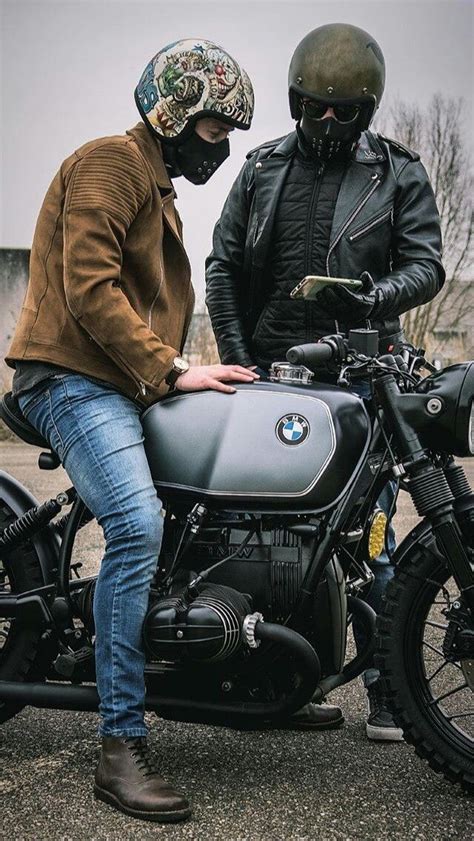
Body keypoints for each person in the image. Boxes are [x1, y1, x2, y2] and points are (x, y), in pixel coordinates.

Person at [5, 39, 258, 823]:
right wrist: (174, 368)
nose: (220, 147)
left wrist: (197, 369)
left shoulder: (158, 185)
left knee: (212, 490)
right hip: (70, 379)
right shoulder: (115, 163)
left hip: (120, 382)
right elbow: (89, 286)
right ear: (172, 112)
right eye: (214, 129)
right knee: (138, 522)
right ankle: (119, 745)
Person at [205, 24, 445, 741]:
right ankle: (281, 677)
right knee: (261, 535)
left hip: (358, 371)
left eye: (347, 111)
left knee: (366, 540)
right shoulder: (258, 168)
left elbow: (428, 264)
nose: (329, 122)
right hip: (264, 369)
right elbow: (220, 266)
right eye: (315, 108)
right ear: (293, 102)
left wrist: (374, 298)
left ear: (368, 109)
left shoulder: (397, 171)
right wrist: (237, 357)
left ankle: (392, 694)